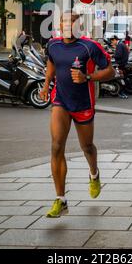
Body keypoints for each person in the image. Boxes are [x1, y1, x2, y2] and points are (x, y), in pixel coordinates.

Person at [40, 11, 114, 218]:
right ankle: (60, 200)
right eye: (64, 22)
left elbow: (110, 71)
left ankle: (94, 174)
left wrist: (87, 76)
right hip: (60, 100)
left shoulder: (89, 47)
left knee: (87, 147)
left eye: (71, 23)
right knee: (56, 146)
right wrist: (46, 85)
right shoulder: (53, 45)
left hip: (83, 103)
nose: (67, 26)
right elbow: (52, 63)